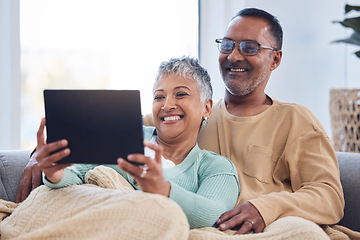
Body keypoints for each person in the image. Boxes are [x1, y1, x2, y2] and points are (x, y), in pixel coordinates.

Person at [15, 7, 349, 239]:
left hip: (246, 227)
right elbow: (106, 134)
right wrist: (44, 157)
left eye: (249, 47)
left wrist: (267, 206)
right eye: (227, 45)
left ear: (275, 58)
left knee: (305, 234)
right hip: (175, 220)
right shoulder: (180, 117)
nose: (234, 55)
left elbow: (329, 196)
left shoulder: (295, 120)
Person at [19, 56, 239, 230]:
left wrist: (162, 189)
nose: (167, 105)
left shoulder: (216, 167)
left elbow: (213, 213)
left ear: (207, 108)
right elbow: (74, 175)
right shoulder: (124, 135)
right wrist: (55, 173)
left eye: (180, 94)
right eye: (159, 97)